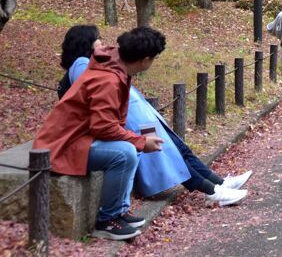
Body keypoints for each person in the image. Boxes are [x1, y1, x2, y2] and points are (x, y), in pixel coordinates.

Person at [58, 25, 250, 209]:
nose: (101, 42)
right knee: (169, 154)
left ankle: (220, 183)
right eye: (97, 38)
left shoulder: (99, 64)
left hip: (138, 120)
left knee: (178, 148)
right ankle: (213, 191)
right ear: (85, 42)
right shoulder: (83, 65)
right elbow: (101, 104)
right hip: (131, 125)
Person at [34, 27, 166, 240]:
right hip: (64, 143)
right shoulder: (108, 79)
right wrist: (141, 141)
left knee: (130, 145)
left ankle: (120, 211)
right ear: (145, 60)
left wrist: (137, 140)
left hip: (81, 136)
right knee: (124, 152)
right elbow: (103, 127)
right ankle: (107, 221)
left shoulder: (114, 64)